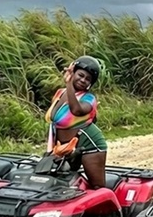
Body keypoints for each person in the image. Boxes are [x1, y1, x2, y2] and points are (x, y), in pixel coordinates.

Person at [45, 56, 108, 189]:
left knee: (97, 187)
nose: (83, 80)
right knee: (56, 184)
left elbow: (76, 110)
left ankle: (113, 209)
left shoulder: (89, 98)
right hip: (63, 147)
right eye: (80, 75)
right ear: (73, 73)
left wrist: (68, 83)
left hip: (89, 145)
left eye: (88, 79)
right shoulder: (59, 93)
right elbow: (55, 122)